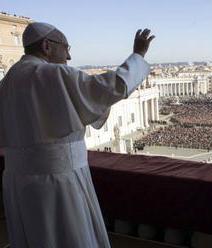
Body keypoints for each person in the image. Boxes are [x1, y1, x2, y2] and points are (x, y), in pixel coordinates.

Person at [0, 22, 155, 248]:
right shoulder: (54, 74)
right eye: (66, 47)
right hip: (58, 180)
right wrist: (138, 55)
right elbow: (111, 88)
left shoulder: (6, 82)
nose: (69, 56)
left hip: (16, 182)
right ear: (46, 46)